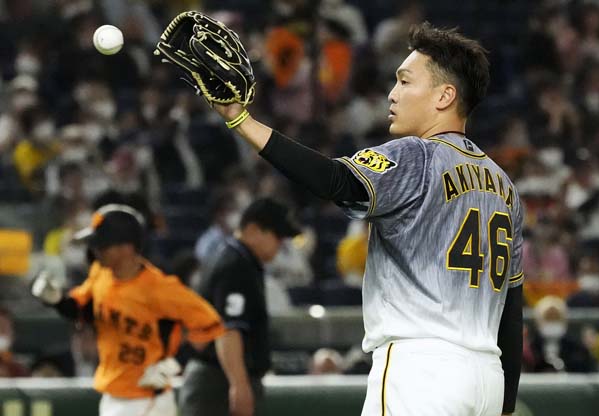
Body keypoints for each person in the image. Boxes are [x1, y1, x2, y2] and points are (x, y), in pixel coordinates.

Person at [204, 22, 524, 416]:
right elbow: (511, 307)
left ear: (444, 96)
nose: (392, 93)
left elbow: (336, 181)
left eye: (405, 81)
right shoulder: (504, 186)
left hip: (422, 369)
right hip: (487, 376)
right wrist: (505, 404)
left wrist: (241, 120)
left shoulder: (416, 155)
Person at [30, 203, 253, 416]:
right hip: (113, 393)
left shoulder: (160, 289)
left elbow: (212, 326)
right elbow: (83, 310)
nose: (96, 250)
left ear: (126, 248)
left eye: (102, 245)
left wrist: (173, 364)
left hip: (147, 400)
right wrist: (57, 300)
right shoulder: (100, 274)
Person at [179, 197, 300, 416]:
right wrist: (239, 384)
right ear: (253, 230)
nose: (281, 244)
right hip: (217, 383)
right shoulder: (235, 264)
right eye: (277, 236)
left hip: (218, 378)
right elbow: (228, 329)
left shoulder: (237, 258)